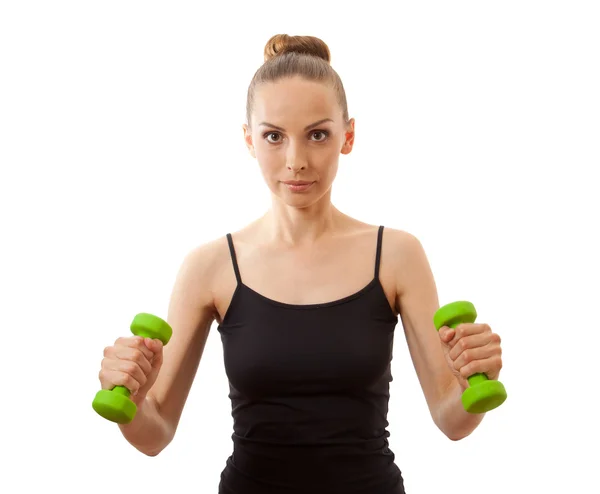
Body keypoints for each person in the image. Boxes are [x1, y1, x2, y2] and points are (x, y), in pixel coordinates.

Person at [98, 34, 504, 494]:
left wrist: (478, 385)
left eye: (317, 134)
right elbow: (156, 434)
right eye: (274, 136)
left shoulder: (396, 255)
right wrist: (130, 400)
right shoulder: (210, 267)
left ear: (347, 136)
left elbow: (452, 420)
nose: (296, 161)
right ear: (249, 140)